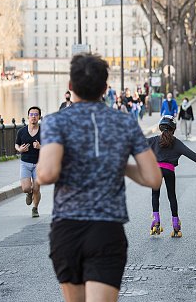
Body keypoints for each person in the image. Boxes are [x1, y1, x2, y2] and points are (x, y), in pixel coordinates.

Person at [37, 53, 162, 302]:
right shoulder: (124, 122)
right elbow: (153, 179)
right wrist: (117, 163)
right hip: (107, 229)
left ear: (70, 86)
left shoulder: (55, 122)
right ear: (105, 88)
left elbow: (47, 174)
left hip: (67, 228)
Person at [147, 115, 196, 237]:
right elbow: (189, 153)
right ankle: (175, 225)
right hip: (169, 170)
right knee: (172, 196)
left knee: (155, 195)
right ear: (173, 129)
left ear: (161, 128)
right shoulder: (176, 142)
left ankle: (156, 221)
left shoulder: (154, 140)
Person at [15, 106, 42, 218]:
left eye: (36, 114)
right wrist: (19, 149)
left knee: (36, 188)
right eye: (31, 114)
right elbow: (16, 144)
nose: (33, 117)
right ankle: (29, 193)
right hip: (25, 163)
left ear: (39, 117)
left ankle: (35, 208)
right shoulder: (21, 131)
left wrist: (40, 146)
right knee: (26, 188)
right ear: (28, 116)